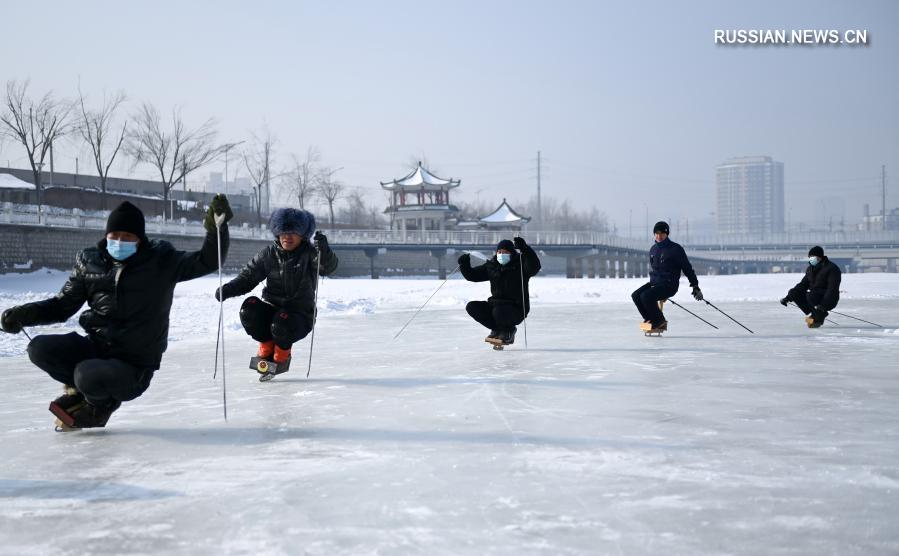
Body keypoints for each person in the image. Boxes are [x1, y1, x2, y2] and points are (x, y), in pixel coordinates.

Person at [0, 196, 233, 429]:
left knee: (86, 374)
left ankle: (99, 407)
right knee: (39, 349)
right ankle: (83, 392)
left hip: (134, 364)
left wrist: (217, 231)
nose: (120, 241)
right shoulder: (90, 262)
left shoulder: (161, 261)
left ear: (139, 239)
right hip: (96, 348)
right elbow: (62, 305)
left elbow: (207, 261)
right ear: (106, 235)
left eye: (128, 237)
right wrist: (24, 314)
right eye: (115, 236)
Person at [215, 208, 337, 373]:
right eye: (283, 232)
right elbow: (248, 277)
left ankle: (281, 358)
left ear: (302, 235)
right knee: (249, 309)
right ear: (277, 233)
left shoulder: (311, 253)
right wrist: (228, 289)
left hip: (299, 315)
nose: (287, 236)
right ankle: (266, 350)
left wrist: (324, 251)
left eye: (293, 232)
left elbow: (327, 267)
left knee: (281, 322)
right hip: (273, 310)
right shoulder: (269, 254)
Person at [458, 237, 541, 346]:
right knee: (472, 307)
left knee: (499, 311)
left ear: (511, 253)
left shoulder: (520, 265)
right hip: (496, 306)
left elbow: (534, 267)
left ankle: (508, 331)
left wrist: (525, 249)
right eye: (499, 252)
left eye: (505, 252)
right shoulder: (492, 266)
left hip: (516, 309)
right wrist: (464, 265)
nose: (502, 254)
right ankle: (497, 329)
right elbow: (473, 276)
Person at [631, 221, 702, 332]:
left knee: (646, 296)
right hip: (655, 283)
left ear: (667, 234)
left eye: (662, 233)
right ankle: (650, 319)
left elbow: (687, 268)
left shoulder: (675, 249)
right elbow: (655, 269)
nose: (659, 236)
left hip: (669, 285)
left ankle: (660, 321)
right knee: (636, 295)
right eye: (657, 233)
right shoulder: (653, 249)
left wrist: (695, 285)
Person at [779, 245, 841, 328]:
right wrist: (788, 298)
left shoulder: (832, 268)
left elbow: (832, 289)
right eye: (810, 257)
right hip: (813, 297)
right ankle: (816, 314)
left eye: (813, 256)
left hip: (828, 299)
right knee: (793, 292)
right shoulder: (810, 269)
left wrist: (823, 305)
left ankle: (819, 315)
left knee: (811, 295)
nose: (811, 258)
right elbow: (803, 285)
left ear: (819, 257)